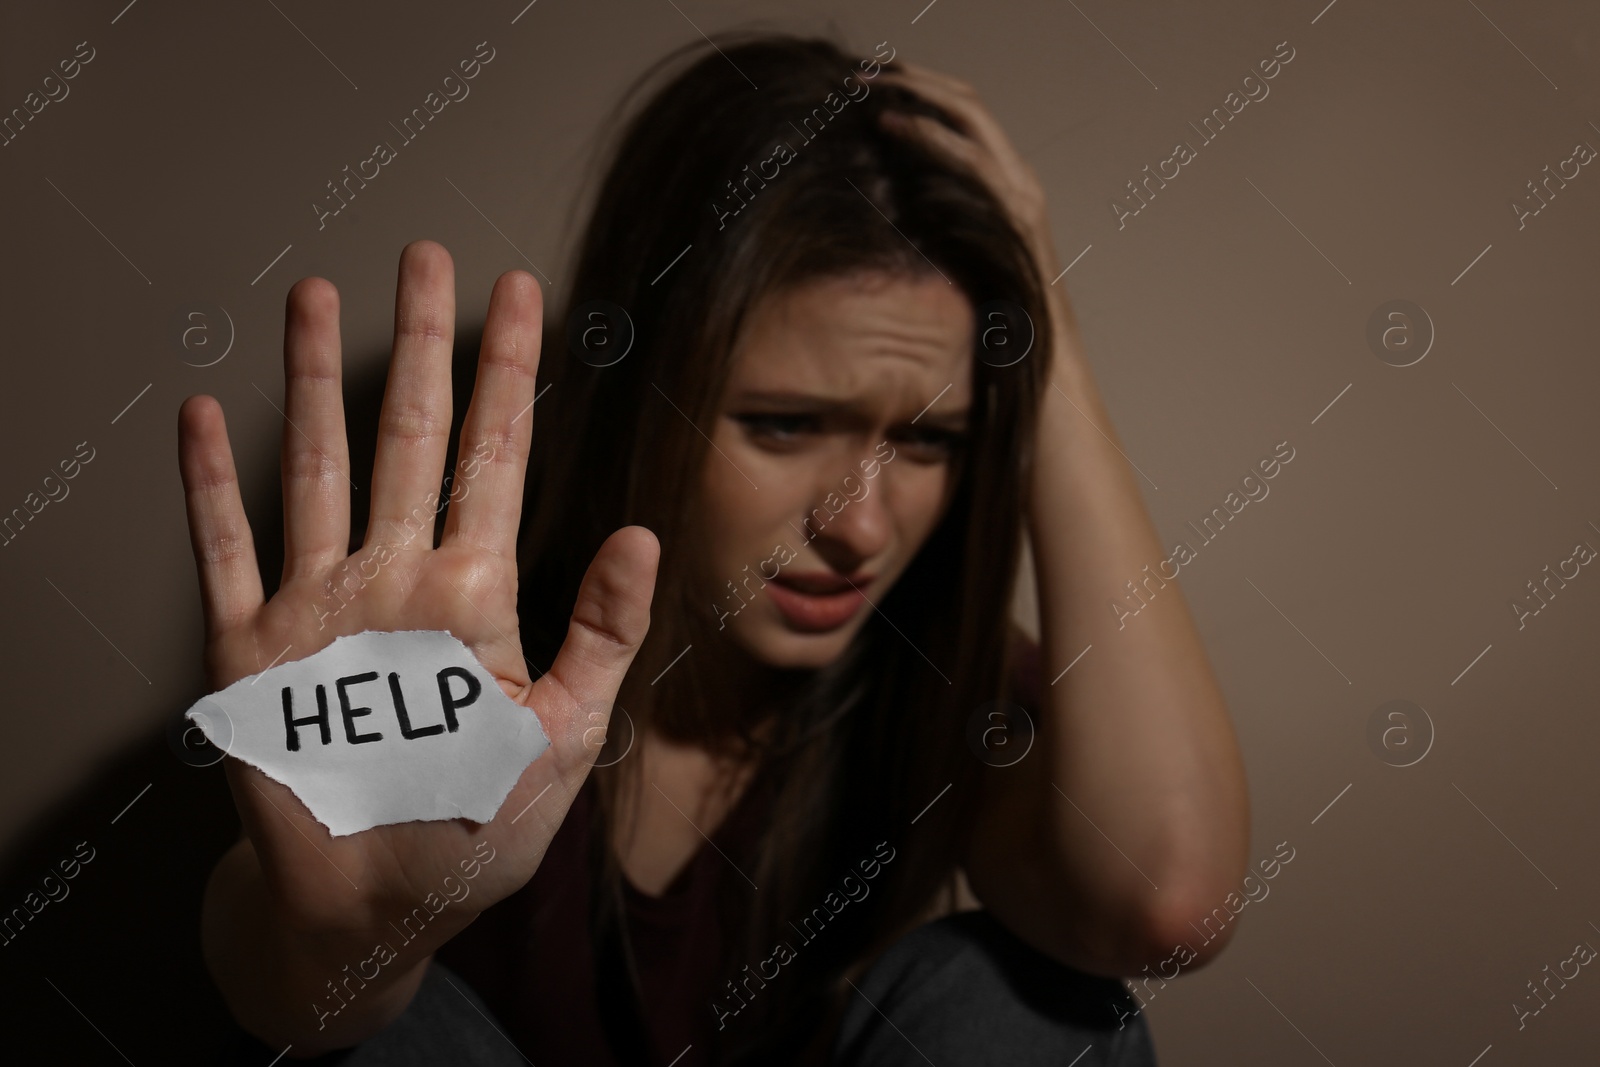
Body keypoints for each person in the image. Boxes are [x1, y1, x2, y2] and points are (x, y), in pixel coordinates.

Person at [185, 31, 1249, 1066]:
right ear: (643, 390)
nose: (862, 527)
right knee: (381, 1030)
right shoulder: (461, 649)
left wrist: (1034, 322)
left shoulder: (943, 692)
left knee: (1017, 995)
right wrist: (360, 931)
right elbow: (271, 984)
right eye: (783, 424)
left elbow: (1166, 901)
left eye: (929, 437)